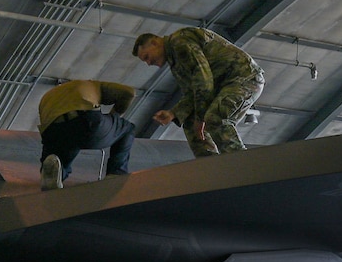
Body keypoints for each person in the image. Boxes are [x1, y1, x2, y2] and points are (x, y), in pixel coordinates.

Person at [131, 28, 263, 157]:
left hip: (244, 79)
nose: (148, 63)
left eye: (147, 57)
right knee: (190, 121)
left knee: (215, 118)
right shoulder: (174, 58)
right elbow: (193, 92)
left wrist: (200, 119)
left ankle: (241, 162)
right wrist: (174, 113)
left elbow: (203, 80)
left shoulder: (179, 42)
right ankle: (210, 165)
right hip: (223, 85)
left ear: (155, 43)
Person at [36, 78, 138, 190]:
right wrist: (114, 115)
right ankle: (116, 173)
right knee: (128, 128)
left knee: (63, 152)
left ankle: (55, 176)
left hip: (52, 130)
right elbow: (129, 92)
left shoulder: (51, 94)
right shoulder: (93, 85)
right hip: (86, 122)